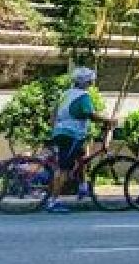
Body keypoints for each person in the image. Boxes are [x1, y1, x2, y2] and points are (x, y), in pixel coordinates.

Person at [46, 67, 112, 213]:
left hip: (62, 132)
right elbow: (91, 115)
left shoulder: (66, 94)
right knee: (64, 169)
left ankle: (83, 187)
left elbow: (54, 113)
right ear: (87, 81)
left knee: (81, 158)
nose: (92, 83)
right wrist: (109, 120)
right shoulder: (83, 96)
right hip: (71, 135)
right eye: (91, 80)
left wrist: (54, 129)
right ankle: (53, 202)